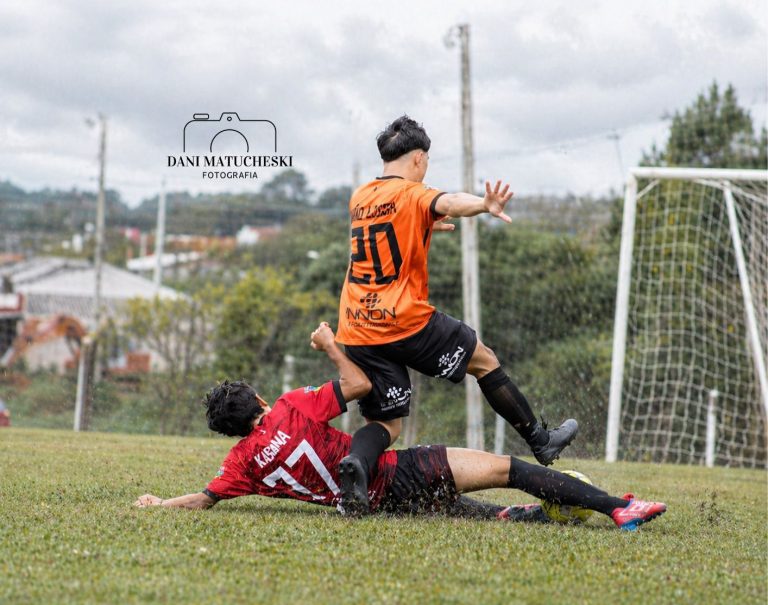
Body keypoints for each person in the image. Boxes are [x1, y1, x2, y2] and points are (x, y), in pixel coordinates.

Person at [134, 323, 666, 531]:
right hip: (397, 473)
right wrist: (331, 346)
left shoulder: (241, 464)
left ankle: (546, 516)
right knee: (510, 469)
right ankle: (616, 507)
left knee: (485, 512)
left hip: (377, 503)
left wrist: (160, 504)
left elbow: (204, 499)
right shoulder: (289, 408)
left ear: (231, 431)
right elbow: (359, 383)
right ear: (256, 400)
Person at [335, 115, 578, 514]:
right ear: (418, 158)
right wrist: (484, 204)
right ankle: (541, 440)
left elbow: (387, 233)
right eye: (427, 161)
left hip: (357, 325)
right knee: (483, 360)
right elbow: (447, 201)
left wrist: (424, 227)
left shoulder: (360, 197)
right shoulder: (414, 193)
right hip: (402, 320)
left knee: (388, 424)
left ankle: (357, 468)